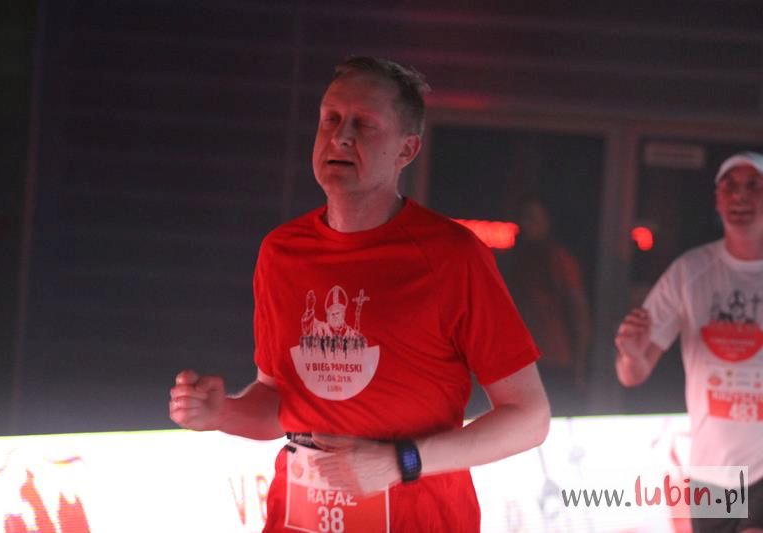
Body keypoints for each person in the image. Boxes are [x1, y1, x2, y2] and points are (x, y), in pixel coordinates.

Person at [170, 56, 550, 532]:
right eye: (331, 119)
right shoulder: (281, 252)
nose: (341, 137)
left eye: (364, 124)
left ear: (407, 149)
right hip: (298, 519)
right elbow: (278, 402)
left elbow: (529, 418)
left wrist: (399, 462)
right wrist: (221, 412)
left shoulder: (453, 255)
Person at [615, 152, 763, 533]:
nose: (740, 196)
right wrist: (631, 353)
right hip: (712, 471)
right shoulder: (691, 271)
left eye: (753, 186)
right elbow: (632, 374)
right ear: (717, 200)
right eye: (730, 187)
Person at [499, 195, 592, 405]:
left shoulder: (558, 259)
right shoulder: (516, 261)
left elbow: (578, 311)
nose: (526, 224)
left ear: (546, 223)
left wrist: (579, 363)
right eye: (524, 218)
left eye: (533, 218)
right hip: (522, 360)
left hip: (554, 359)